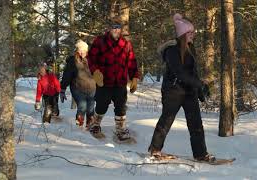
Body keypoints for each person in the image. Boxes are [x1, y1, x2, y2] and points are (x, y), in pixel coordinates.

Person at [148, 13, 215, 162]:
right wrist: (199, 84)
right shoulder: (172, 50)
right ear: (183, 34)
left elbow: (193, 72)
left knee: (196, 124)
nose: (193, 35)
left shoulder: (191, 48)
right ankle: (155, 149)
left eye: (193, 32)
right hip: (173, 91)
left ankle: (200, 154)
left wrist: (200, 91)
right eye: (190, 33)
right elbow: (180, 73)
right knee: (166, 120)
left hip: (189, 92)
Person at [87, 17, 140, 141]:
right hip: (103, 81)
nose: (116, 30)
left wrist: (134, 78)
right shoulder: (100, 41)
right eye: (114, 27)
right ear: (109, 29)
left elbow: (132, 62)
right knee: (101, 105)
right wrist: (95, 71)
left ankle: (120, 130)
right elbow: (91, 58)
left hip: (120, 82)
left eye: (118, 28)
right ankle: (95, 125)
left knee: (121, 106)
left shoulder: (126, 44)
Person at [60, 40, 96, 129]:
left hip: (92, 88)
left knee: (91, 108)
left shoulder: (92, 60)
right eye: (80, 50)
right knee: (82, 106)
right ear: (77, 51)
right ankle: (79, 125)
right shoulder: (73, 61)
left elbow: (98, 73)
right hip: (78, 88)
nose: (82, 52)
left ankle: (90, 125)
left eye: (84, 50)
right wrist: (63, 89)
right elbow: (67, 75)